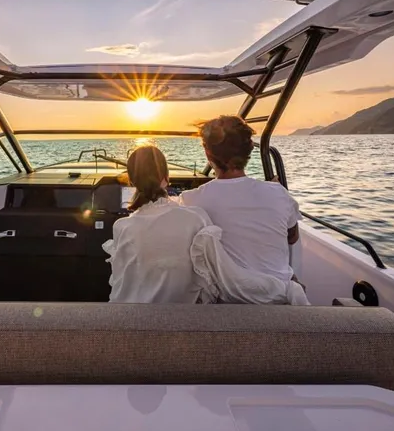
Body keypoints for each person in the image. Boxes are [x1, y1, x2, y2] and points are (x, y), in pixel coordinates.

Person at [103, 145, 308, 305]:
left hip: (133, 319)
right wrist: (286, 289)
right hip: (187, 321)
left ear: (131, 181)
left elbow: (122, 284)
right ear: (166, 177)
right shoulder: (196, 219)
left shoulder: (122, 227)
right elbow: (228, 278)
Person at [180, 116, 302, 284]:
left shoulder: (190, 200)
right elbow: (292, 237)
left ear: (208, 153)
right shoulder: (278, 194)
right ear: (249, 150)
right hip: (278, 295)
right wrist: (273, 191)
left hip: (224, 300)